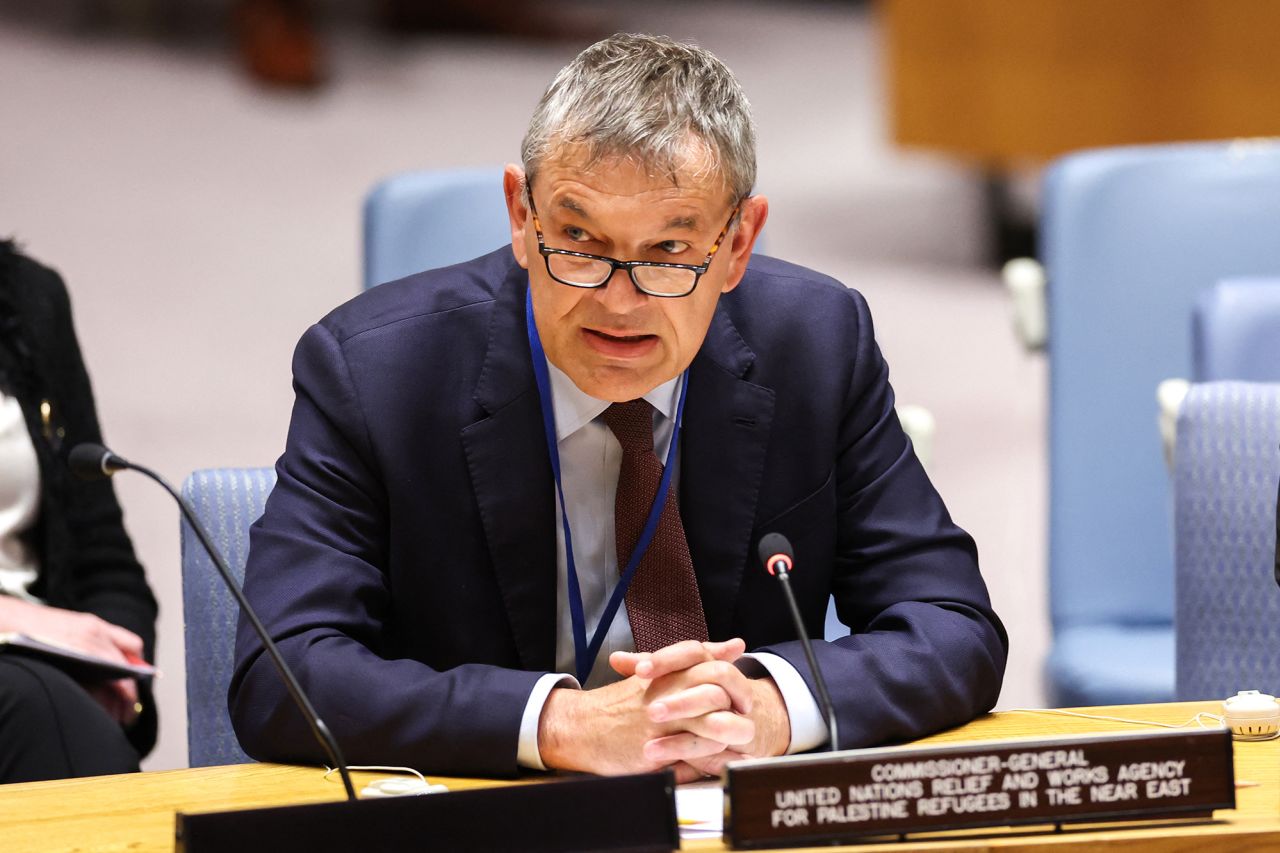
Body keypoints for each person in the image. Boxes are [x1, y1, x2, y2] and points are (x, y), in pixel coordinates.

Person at [230, 34, 1007, 781]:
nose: (618, 301)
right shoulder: (375, 372)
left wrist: (770, 706)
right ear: (521, 218)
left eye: (668, 253)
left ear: (737, 245)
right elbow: (281, 670)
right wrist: (559, 725)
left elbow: (951, 622)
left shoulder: (817, 344)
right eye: (579, 241)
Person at [0, 240, 159, 784]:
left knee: (60, 713)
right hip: (30, 681)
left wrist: (112, 673)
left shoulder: (26, 297)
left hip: (48, 664)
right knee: (37, 709)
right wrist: (12, 619)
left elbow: (104, 559)